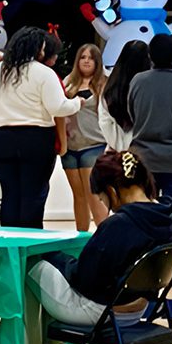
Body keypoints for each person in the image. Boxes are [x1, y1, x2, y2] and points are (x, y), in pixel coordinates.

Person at [27, 151, 172, 332]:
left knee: (31, 264)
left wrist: (57, 258)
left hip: (102, 314)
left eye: (101, 198)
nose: (103, 203)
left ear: (112, 191)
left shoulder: (119, 225)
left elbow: (85, 281)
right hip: (138, 310)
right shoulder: (168, 213)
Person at [0, 26, 83, 228]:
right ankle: (31, 248)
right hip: (35, 139)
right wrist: (77, 103)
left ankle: (11, 248)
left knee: (10, 194)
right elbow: (58, 107)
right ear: (35, 48)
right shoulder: (43, 73)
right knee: (33, 194)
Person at [128, 34, 172, 238]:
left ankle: (144, 259)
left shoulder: (138, 81)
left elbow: (132, 112)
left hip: (143, 159)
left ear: (150, 55)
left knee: (142, 212)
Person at [61, 43, 109, 230]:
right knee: (78, 195)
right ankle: (80, 239)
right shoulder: (68, 82)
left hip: (94, 144)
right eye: (83, 57)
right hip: (70, 146)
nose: (86, 61)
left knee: (94, 194)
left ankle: (104, 237)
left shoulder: (104, 82)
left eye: (90, 57)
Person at [100, 40, 150, 153]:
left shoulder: (110, 87)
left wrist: (119, 146)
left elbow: (104, 122)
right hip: (147, 155)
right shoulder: (150, 88)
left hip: (118, 154)